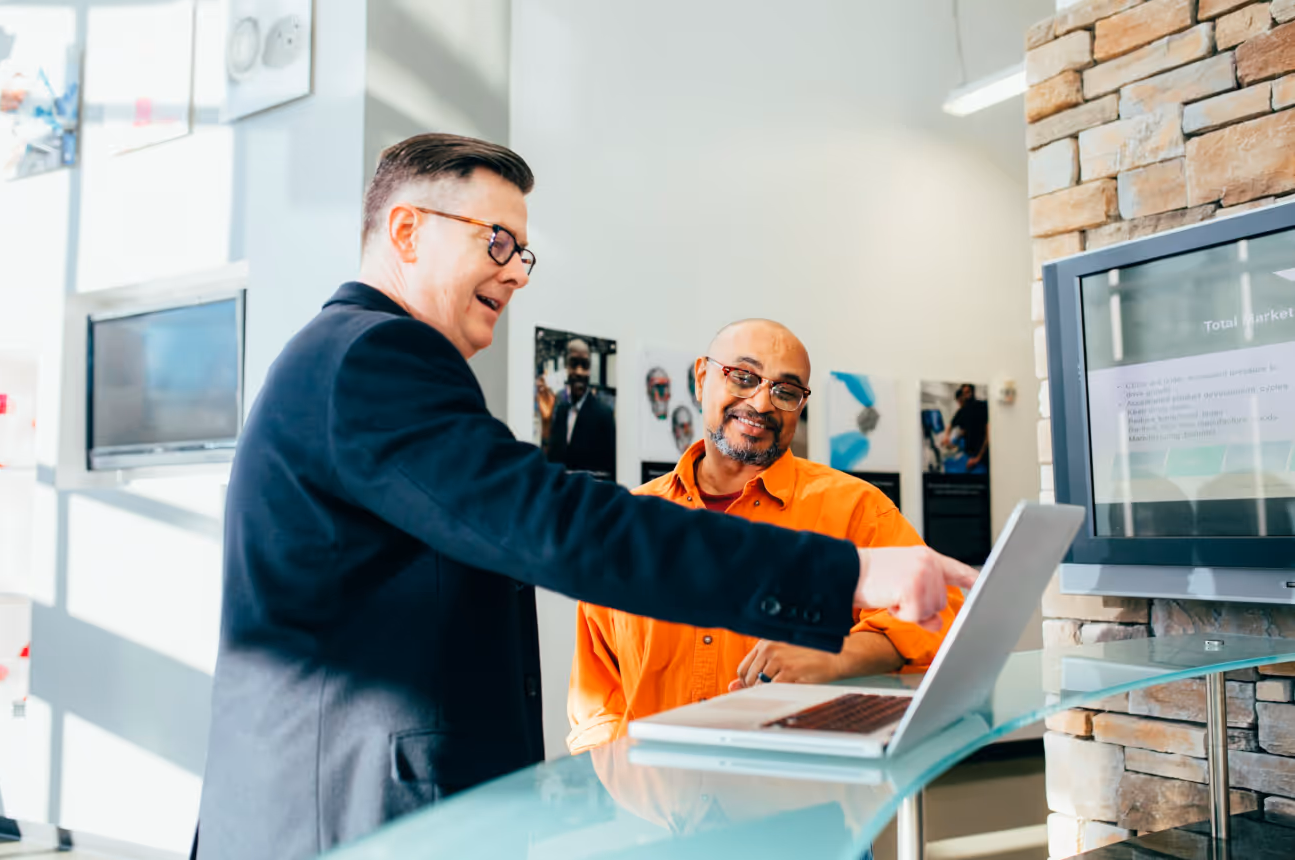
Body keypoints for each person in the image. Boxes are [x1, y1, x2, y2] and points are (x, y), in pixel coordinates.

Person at [194, 133, 977, 860]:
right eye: (495, 241)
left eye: (522, 252)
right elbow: (558, 526)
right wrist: (845, 576)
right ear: (405, 232)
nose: (514, 271)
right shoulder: (376, 357)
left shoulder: (347, 358)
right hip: (351, 815)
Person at [567, 321, 963, 753]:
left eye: (786, 391)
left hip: (796, 800)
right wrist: (619, 792)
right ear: (702, 378)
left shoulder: (855, 508)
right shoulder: (631, 522)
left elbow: (945, 613)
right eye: (743, 376)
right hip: (655, 806)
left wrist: (837, 654)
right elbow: (597, 695)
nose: (761, 403)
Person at [537, 337, 616, 479]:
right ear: (566, 366)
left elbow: (610, 474)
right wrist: (546, 423)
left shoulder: (603, 414)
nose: (579, 372)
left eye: (584, 365)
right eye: (574, 364)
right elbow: (551, 462)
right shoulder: (560, 410)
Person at [943, 383, 989, 473]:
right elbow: (952, 425)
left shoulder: (983, 406)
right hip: (969, 455)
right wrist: (947, 437)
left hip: (982, 457)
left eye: (968, 392)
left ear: (973, 392)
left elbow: (988, 435)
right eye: (964, 393)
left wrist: (978, 458)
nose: (966, 396)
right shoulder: (963, 410)